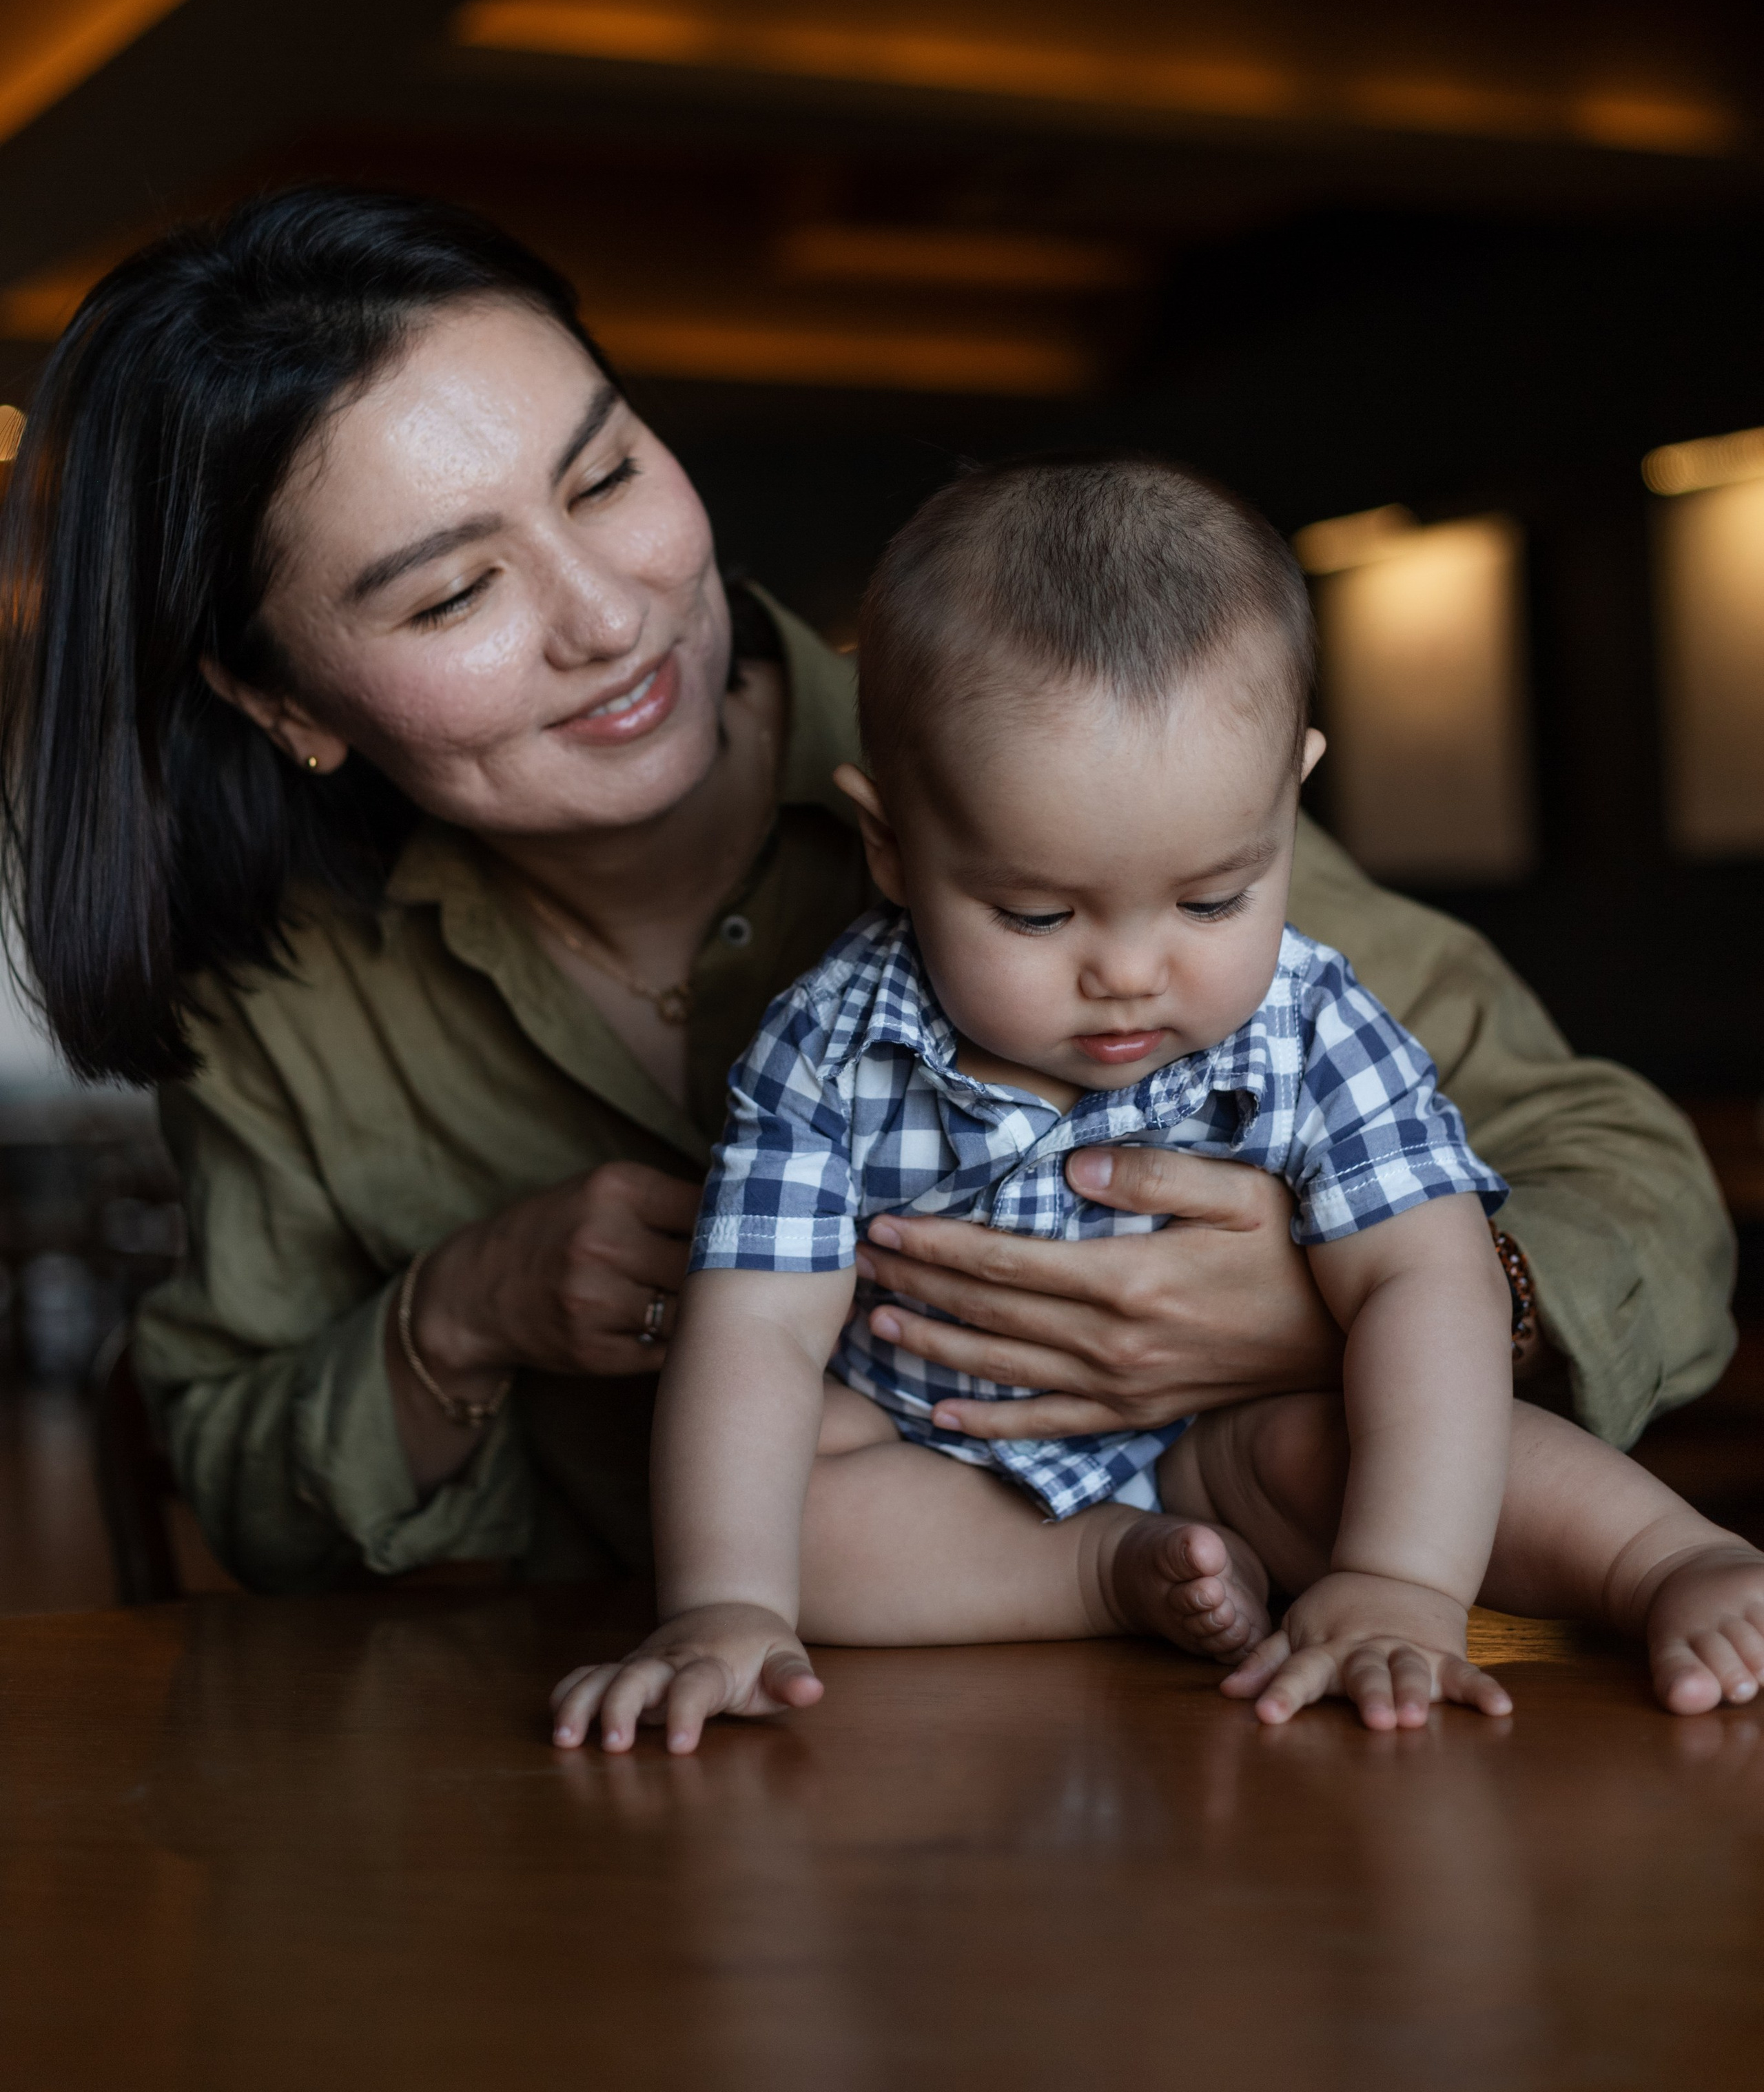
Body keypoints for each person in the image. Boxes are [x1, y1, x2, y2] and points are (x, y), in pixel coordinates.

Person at [0, 187, 1733, 1596]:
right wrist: (464, 1314)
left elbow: (1636, 1188)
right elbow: (236, 1486)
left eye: (605, 476)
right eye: (454, 594)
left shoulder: (1046, 772)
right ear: (282, 702)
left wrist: (1346, 1307)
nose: (607, 615)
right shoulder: (289, 999)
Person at [552, 459, 1764, 1753]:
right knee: (779, 1506)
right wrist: (723, 1604)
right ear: (890, 844)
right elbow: (756, 1331)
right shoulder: (829, 1047)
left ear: (1289, 796)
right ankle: (1101, 1573)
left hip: (1237, 1439)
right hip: (938, 1450)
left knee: (1414, 1424)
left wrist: (1399, 1582)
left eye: (1211, 901)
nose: (1130, 973)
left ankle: (1668, 1562)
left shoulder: (1313, 1023)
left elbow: (1430, 1280)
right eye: (1035, 913)